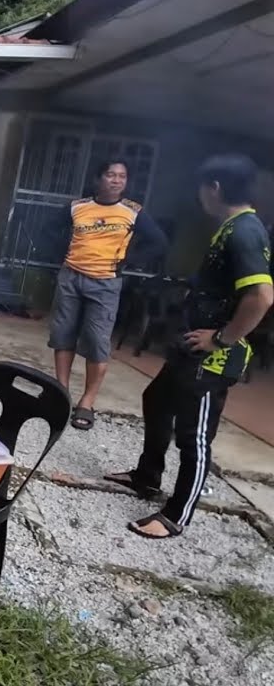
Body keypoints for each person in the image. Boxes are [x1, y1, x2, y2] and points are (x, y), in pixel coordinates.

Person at [105, 154, 272, 539]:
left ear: (214, 188)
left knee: (193, 436)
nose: (200, 196)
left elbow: (262, 296)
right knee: (156, 399)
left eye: (202, 188)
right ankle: (146, 476)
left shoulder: (245, 232)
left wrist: (221, 338)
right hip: (191, 346)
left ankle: (176, 515)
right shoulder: (231, 227)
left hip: (213, 358)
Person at [49, 160, 168, 430]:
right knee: (63, 334)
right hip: (71, 278)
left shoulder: (133, 211)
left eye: (122, 176)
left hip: (105, 283)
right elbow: (49, 230)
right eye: (111, 175)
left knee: (96, 340)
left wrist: (128, 261)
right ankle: (61, 393)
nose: (116, 180)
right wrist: (62, 253)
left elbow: (159, 243)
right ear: (98, 179)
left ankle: (87, 401)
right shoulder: (77, 207)